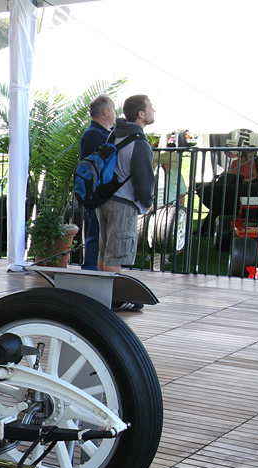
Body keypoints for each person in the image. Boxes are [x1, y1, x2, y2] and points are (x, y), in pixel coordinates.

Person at [97, 94, 156, 311]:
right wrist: (147, 201)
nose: (153, 111)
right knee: (116, 253)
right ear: (141, 114)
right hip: (123, 203)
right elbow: (143, 178)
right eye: (151, 108)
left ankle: (103, 298)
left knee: (105, 252)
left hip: (106, 199)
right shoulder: (139, 142)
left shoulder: (115, 134)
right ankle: (112, 302)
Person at [79, 95, 117, 271]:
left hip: (102, 194)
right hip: (97, 195)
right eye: (114, 108)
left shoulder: (103, 133)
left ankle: (96, 270)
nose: (117, 113)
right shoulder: (94, 134)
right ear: (105, 111)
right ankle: (90, 270)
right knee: (96, 232)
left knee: (101, 233)